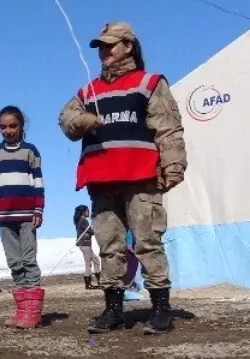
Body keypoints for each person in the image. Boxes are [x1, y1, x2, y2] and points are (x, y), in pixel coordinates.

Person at [57, 21, 187, 336]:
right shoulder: (89, 91)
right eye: (100, 47)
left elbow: (167, 126)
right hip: (101, 178)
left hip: (139, 174)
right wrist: (86, 120)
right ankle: (113, 309)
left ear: (128, 46)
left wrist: (174, 165)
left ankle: (160, 308)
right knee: (109, 244)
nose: (103, 52)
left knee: (147, 240)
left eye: (109, 46)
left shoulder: (149, 83)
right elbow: (66, 119)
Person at [0, 106, 46, 329]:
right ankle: (22, 311)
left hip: (27, 215)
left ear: (21, 126)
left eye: (12, 126)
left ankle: (33, 314)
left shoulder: (30, 152)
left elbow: (38, 183)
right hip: (4, 216)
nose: (8, 130)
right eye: (3, 127)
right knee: (15, 262)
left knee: (28, 259)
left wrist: (39, 210)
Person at [73, 205, 101, 289]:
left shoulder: (80, 221)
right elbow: (91, 231)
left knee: (96, 260)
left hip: (85, 245)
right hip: (85, 245)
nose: (88, 212)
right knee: (88, 263)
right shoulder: (83, 221)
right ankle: (88, 284)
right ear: (83, 212)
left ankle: (99, 281)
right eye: (87, 211)